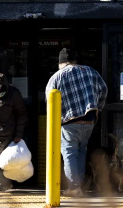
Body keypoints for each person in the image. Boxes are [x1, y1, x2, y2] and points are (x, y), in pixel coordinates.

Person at [45, 48, 107, 197]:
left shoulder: (57, 76)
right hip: (89, 120)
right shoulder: (91, 71)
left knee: (69, 153)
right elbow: (104, 89)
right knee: (81, 151)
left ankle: (74, 187)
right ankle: (80, 186)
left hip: (69, 121)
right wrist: (97, 108)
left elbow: (49, 100)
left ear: (61, 62)